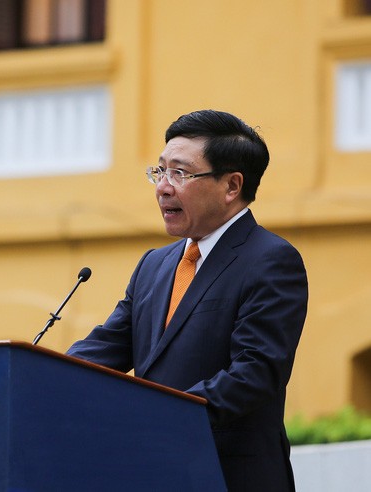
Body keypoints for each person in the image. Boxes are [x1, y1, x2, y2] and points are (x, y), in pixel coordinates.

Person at [67, 109, 308, 491]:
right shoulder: (154, 265)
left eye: (180, 173)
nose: (163, 187)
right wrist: (38, 378)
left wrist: (156, 417)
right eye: (159, 171)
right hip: (155, 474)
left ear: (231, 186)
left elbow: (254, 374)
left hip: (228, 478)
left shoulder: (270, 260)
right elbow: (105, 348)